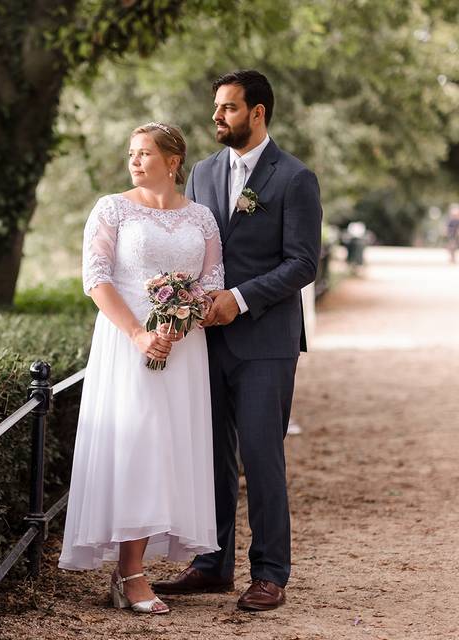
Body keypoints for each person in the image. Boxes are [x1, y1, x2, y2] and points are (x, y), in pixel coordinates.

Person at [153, 70, 322, 612]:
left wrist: (240, 299)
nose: (216, 118)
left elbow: (303, 263)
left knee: (261, 455)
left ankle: (270, 572)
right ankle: (211, 565)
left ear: (258, 113)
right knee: (211, 457)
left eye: (228, 108)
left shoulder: (295, 178)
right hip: (206, 342)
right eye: (216, 109)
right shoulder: (201, 173)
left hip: (265, 342)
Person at [58, 122, 224, 615]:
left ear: (173, 161)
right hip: (126, 342)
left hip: (183, 347)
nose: (135, 161)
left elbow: (212, 282)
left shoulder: (203, 218)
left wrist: (180, 320)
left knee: (168, 448)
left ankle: (133, 569)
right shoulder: (111, 208)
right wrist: (139, 334)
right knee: (138, 444)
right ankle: (130, 574)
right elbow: (96, 278)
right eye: (131, 152)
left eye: (146, 153)